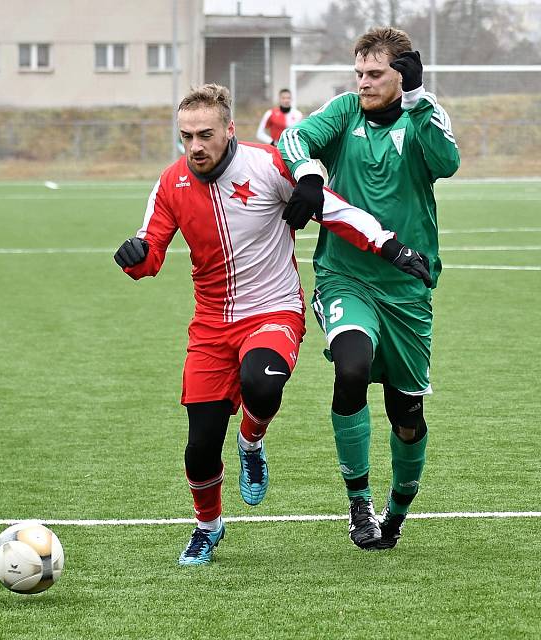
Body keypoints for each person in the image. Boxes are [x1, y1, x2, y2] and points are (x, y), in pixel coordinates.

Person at [114, 83, 431, 566]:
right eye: (186, 137)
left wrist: (389, 244)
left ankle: (252, 440)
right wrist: (134, 256)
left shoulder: (267, 165)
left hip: (274, 311)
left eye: (205, 134)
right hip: (211, 326)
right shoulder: (170, 183)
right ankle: (208, 526)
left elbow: (334, 209)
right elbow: (150, 252)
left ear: (229, 130)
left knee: (260, 384)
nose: (195, 146)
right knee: (199, 447)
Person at [278, 27, 460, 550]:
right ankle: (358, 502)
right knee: (351, 365)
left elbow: (447, 163)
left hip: (406, 289)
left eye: (375, 74)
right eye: (358, 73)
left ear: (401, 74)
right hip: (345, 275)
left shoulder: (423, 116)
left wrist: (420, 103)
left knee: (407, 418)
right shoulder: (342, 111)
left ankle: (396, 512)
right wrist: (310, 173)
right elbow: (292, 140)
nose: (363, 83)